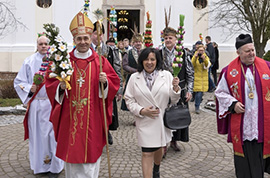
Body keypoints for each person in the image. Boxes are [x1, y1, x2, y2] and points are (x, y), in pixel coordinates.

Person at [45, 12, 120, 178]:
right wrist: (61, 87)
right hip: (70, 119)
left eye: (86, 38)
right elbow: (49, 82)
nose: (83, 42)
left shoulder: (100, 62)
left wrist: (105, 82)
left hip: (93, 118)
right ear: (74, 40)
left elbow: (114, 84)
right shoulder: (63, 62)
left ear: (91, 38)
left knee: (90, 162)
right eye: (79, 39)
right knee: (72, 161)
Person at [215, 34, 270, 178]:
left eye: (252, 50)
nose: (251, 53)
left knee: (259, 162)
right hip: (243, 125)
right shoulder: (229, 71)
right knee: (243, 165)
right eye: (247, 51)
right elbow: (220, 93)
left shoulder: (266, 67)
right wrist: (233, 104)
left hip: (262, 124)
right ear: (239, 53)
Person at [124, 47, 181, 178]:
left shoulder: (166, 75)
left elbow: (173, 99)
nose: (149, 62)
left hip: (161, 121)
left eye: (152, 59)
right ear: (141, 61)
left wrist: (175, 88)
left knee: (159, 149)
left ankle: (156, 167)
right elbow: (129, 99)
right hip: (144, 121)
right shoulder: (134, 78)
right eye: (146, 59)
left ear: (157, 61)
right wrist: (141, 110)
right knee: (146, 153)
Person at [14, 35, 64, 177]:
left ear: (50, 45)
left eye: (45, 44)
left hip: (51, 103)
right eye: (40, 43)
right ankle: (40, 166)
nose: (43, 46)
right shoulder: (29, 61)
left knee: (52, 136)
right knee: (37, 136)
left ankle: (55, 167)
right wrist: (30, 88)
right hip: (36, 104)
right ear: (37, 45)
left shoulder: (56, 62)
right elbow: (19, 82)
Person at [159, 26, 194, 154]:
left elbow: (190, 73)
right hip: (163, 90)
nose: (168, 40)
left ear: (176, 39)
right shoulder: (159, 53)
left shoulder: (183, 53)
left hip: (181, 89)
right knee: (163, 115)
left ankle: (175, 140)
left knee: (178, 115)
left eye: (170, 38)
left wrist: (190, 90)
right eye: (166, 38)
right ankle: (163, 143)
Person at [91, 22, 123, 145]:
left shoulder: (110, 50)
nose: (98, 37)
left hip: (107, 85)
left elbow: (117, 68)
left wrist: (119, 89)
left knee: (108, 111)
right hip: (93, 86)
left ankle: (107, 130)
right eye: (95, 34)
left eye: (100, 34)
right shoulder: (87, 50)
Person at [121, 29, 143, 112]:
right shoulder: (128, 53)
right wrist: (135, 71)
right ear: (133, 43)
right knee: (132, 97)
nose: (138, 43)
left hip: (143, 77)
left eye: (140, 42)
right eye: (136, 42)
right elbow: (125, 65)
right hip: (132, 78)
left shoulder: (145, 52)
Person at [191, 44, 210, 114]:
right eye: (200, 50)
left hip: (203, 78)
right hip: (196, 77)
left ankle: (197, 106)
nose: (201, 52)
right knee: (197, 93)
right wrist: (195, 58)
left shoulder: (206, 57)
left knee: (199, 93)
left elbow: (207, 65)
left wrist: (204, 59)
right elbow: (192, 65)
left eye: (202, 50)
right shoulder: (194, 56)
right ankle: (197, 106)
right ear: (197, 50)